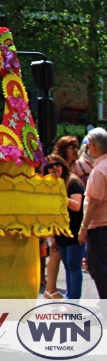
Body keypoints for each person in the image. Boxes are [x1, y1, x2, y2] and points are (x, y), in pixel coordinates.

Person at [48, 154, 86, 299]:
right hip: (61, 232)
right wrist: (53, 235)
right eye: (50, 166)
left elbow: (76, 206)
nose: (54, 168)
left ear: (63, 164)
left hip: (75, 231)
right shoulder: (52, 183)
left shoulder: (73, 181)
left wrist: (60, 194)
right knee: (68, 267)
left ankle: (73, 302)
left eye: (57, 164)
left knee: (73, 266)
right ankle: (71, 300)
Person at [79, 127, 107, 297]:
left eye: (88, 146)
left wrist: (84, 227)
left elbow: (94, 202)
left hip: (100, 229)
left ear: (94, 146)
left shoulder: (99, 171)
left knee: (100, 269)